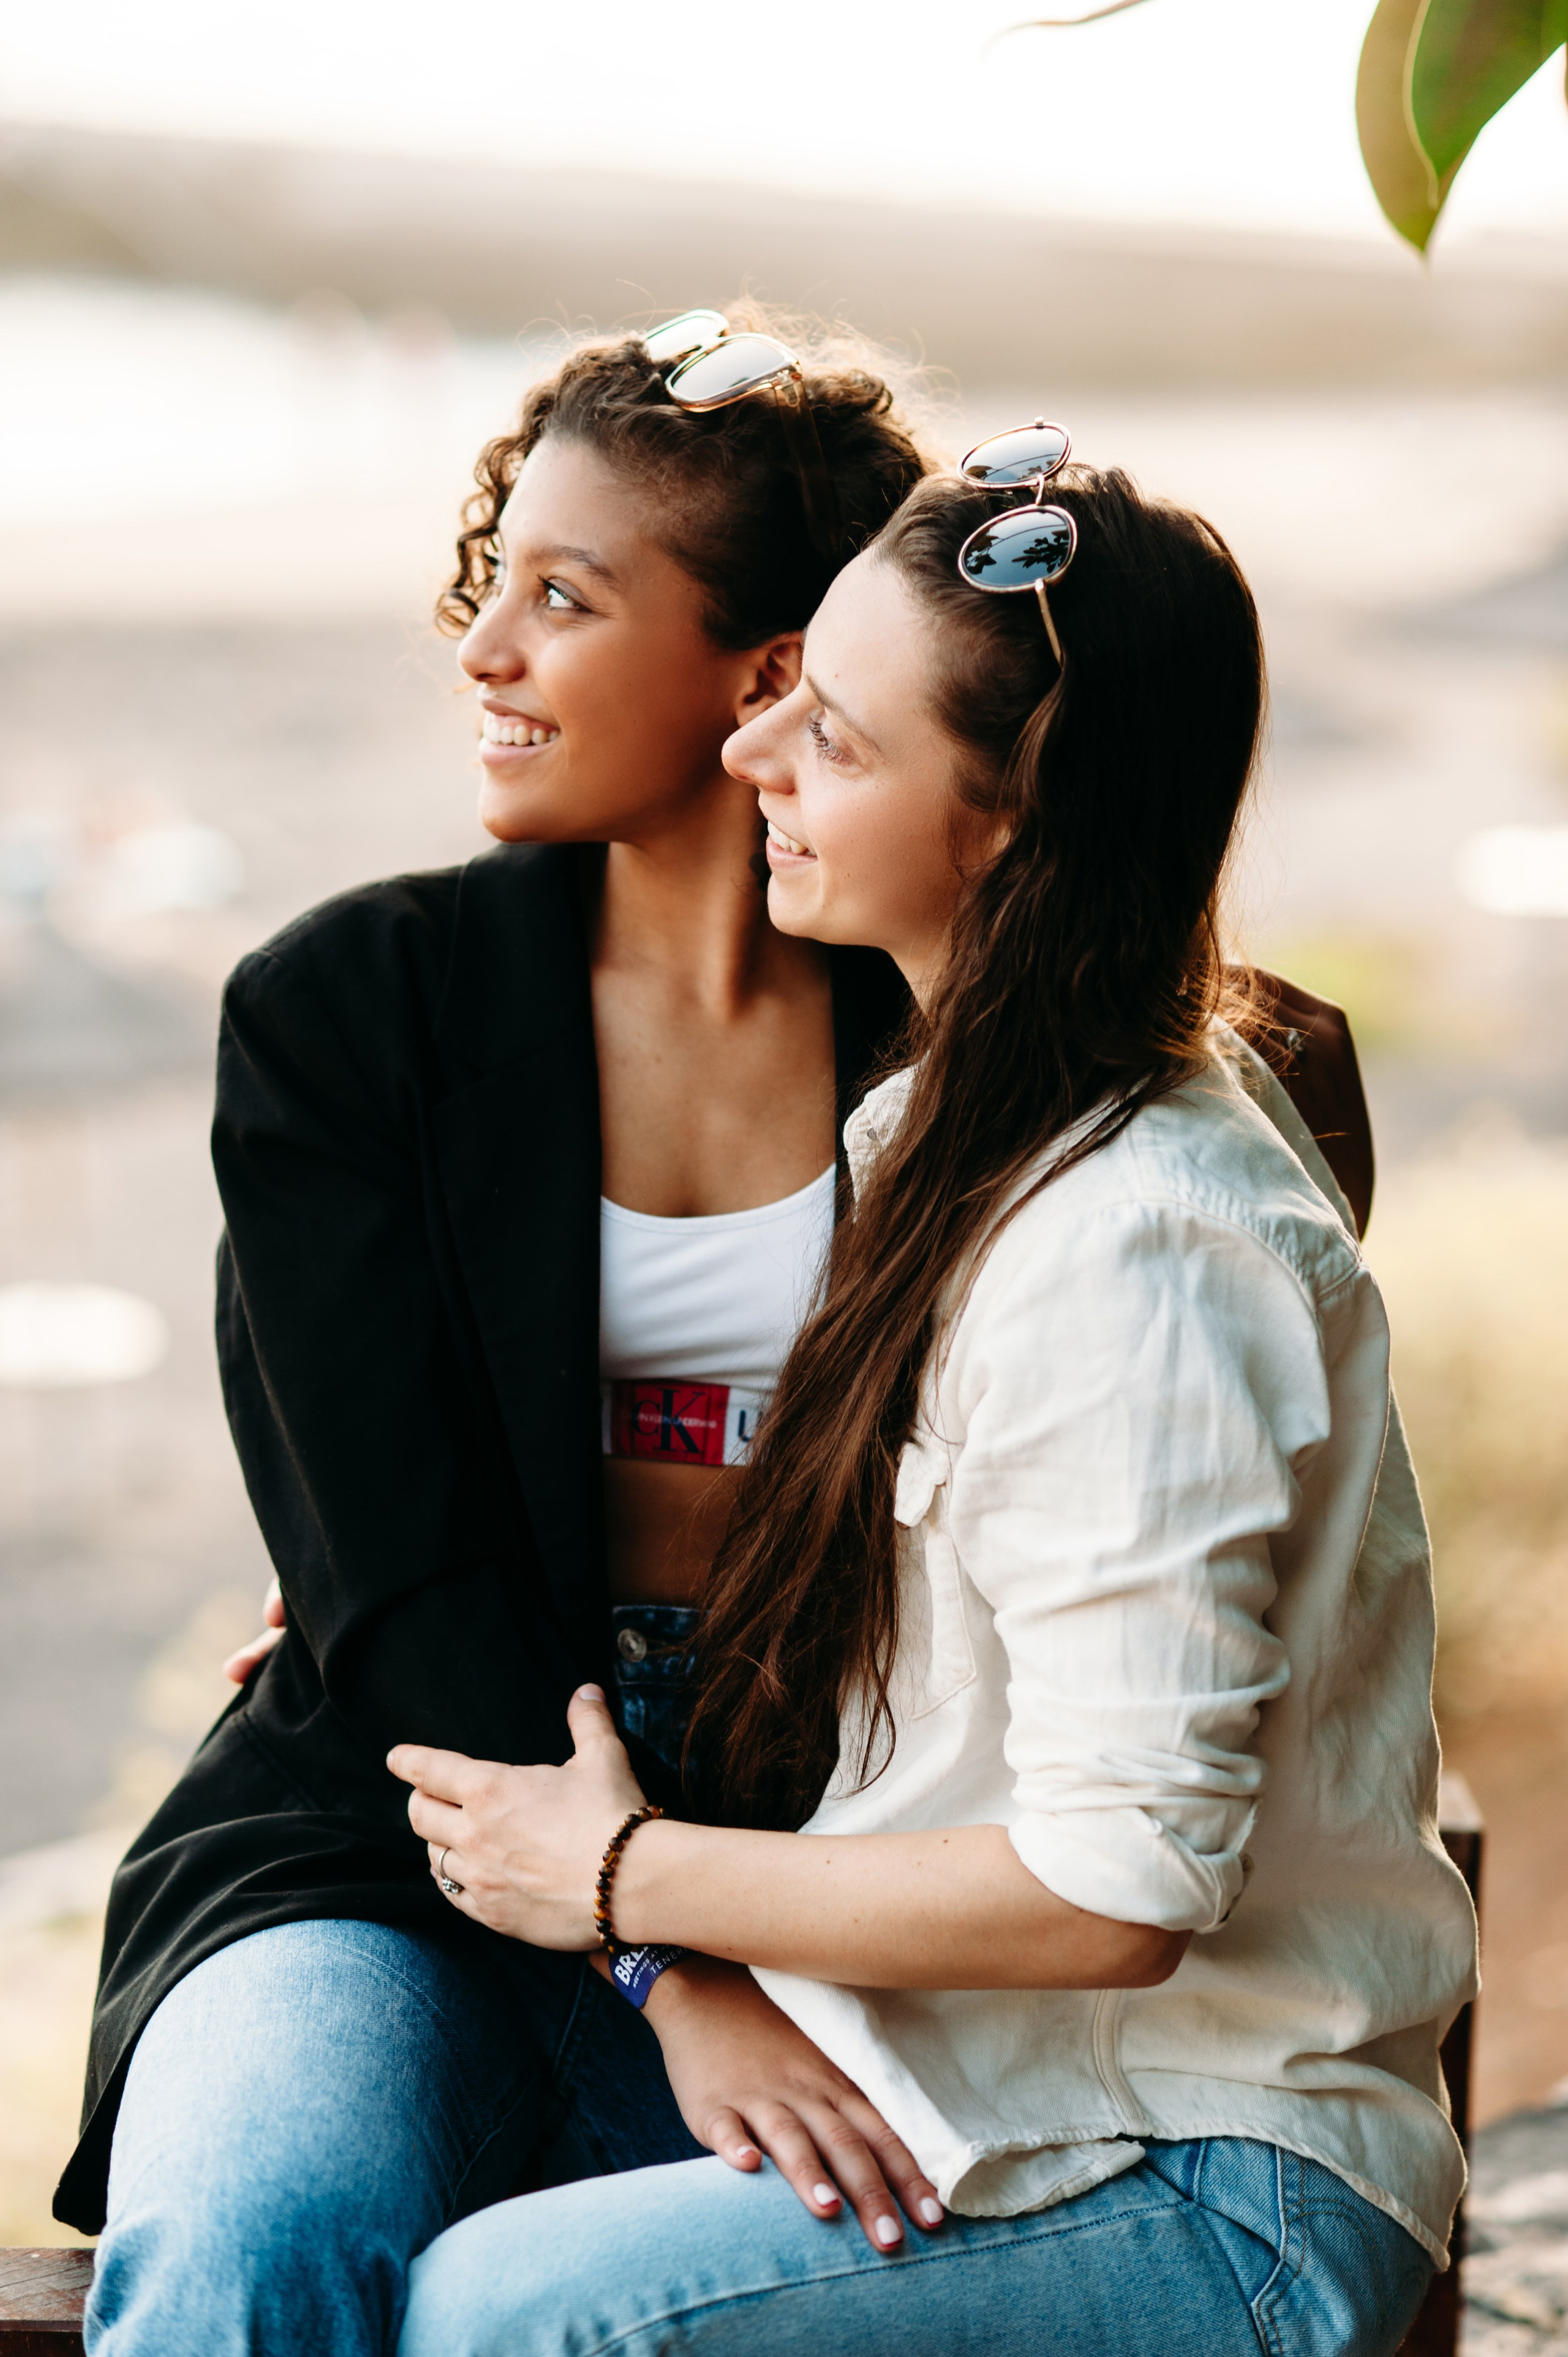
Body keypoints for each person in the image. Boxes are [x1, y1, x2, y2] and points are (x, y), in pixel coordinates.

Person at [387, 452, 1479, 2357]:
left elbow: (1121, 1885)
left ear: (1011, 816)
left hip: (1205, 2170)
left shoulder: (1141, 1248)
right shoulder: (954, 1135)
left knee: (513, 2315)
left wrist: (621, 1878)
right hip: (1010, 2091)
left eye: (839, 737)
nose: (754, 763)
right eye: (787, 692)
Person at [70, 312, 949, 2357]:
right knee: (250, 2238)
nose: (482, 653)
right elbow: (393, 1564)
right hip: (396, 1810)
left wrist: (694, 1914)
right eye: (495, 583)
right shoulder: (348, 1011)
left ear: (769, 676)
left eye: (566, 598)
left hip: (822, 1849)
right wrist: (669, 1980)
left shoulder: (962, 1040)